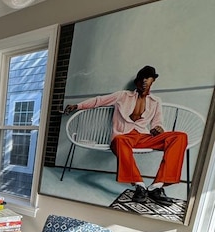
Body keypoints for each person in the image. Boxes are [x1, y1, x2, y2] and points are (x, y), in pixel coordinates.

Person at [64, 65, 187, 205]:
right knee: (119, 141)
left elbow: (157, 122)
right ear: (137, 82)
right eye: (142, 79)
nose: (144, 81)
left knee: (180, 137)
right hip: (123, 137)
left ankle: (156, 187)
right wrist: (77, 106)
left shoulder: (156, 101)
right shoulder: (122, 96)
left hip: (143, 136)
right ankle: (139, 185)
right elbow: (99, 100)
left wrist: (158, 128)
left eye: (148, 78)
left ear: (153, 81)